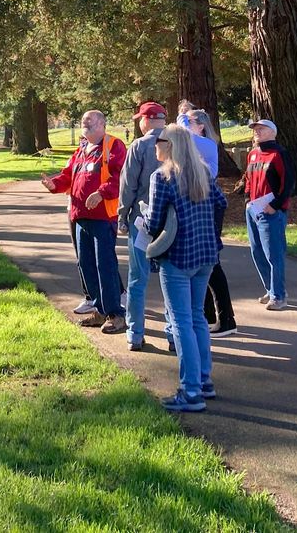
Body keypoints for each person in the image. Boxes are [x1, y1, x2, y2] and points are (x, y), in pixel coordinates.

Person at [144, 124, 227, 412]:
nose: (155, 145)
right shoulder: (202, 172)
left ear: (169, 145)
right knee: (197, 317)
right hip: (205, 254)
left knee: (181, 322)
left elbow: (154, 222)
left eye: (159, 140)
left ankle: (191, 391)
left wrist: (144, 218)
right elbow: (221, 202)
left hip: (177, 256)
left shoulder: (162, 177)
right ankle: (204, 380)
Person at [41, 110, 127, 334]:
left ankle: (116, 315)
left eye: (89, 120)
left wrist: (101, 193)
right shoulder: (81, 149)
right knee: (86, 265)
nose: (84, 123)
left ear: (102, 124)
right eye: (83, 121)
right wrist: (54, 185)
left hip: (103, 217)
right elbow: (68, 175)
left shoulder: (113, 146)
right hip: (79, 216)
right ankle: (99, 310)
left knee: (105, 266)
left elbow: (119, 177)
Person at [118, 101, 170, 351]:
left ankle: (135, 333)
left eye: (140, 119)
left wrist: (122, 215)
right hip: (171, 222)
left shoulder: (139, 146)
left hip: (143, 219)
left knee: (138, 278)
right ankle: (173, 335)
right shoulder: (180, 142)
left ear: (146, 120)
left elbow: (128, 185)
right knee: (171, 279)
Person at [187, 108, 237, 337]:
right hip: (199, 206)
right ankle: (206, 315)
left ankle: (226, 318)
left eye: (189, 121)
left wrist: (181, 124)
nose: (184, 124)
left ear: (201, 126)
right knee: (200, 264)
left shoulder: (205, 143)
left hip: (209, 208)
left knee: (212, 263)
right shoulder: (191, 142)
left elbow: (184, 140)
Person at [243, 119, 293, 310]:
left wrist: (275, 205)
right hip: (253, 209)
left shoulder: (279, 153)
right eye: (255, 129)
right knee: (257, 252)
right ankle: (271, 289)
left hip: (271, 211)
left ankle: (278, 296)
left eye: (261, 129)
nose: (257, 131)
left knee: (274, 254)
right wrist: (247, 199)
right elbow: (248, 179)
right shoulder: (253, 154)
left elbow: (288, 182)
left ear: (273, 132)